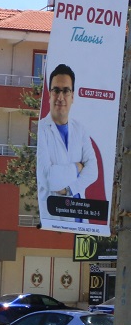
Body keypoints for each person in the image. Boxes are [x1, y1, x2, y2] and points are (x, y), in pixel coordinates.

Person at [37, 63, 98, 217]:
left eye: (66, 91)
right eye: (56, 90)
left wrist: (69, 189)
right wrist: (77, 167)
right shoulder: (41, 130)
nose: (60, 97)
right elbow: (47, 178)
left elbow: (93, 171)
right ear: (49, 94)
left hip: (80, 217)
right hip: (53, 216)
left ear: (73, 96)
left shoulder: (80, 129)